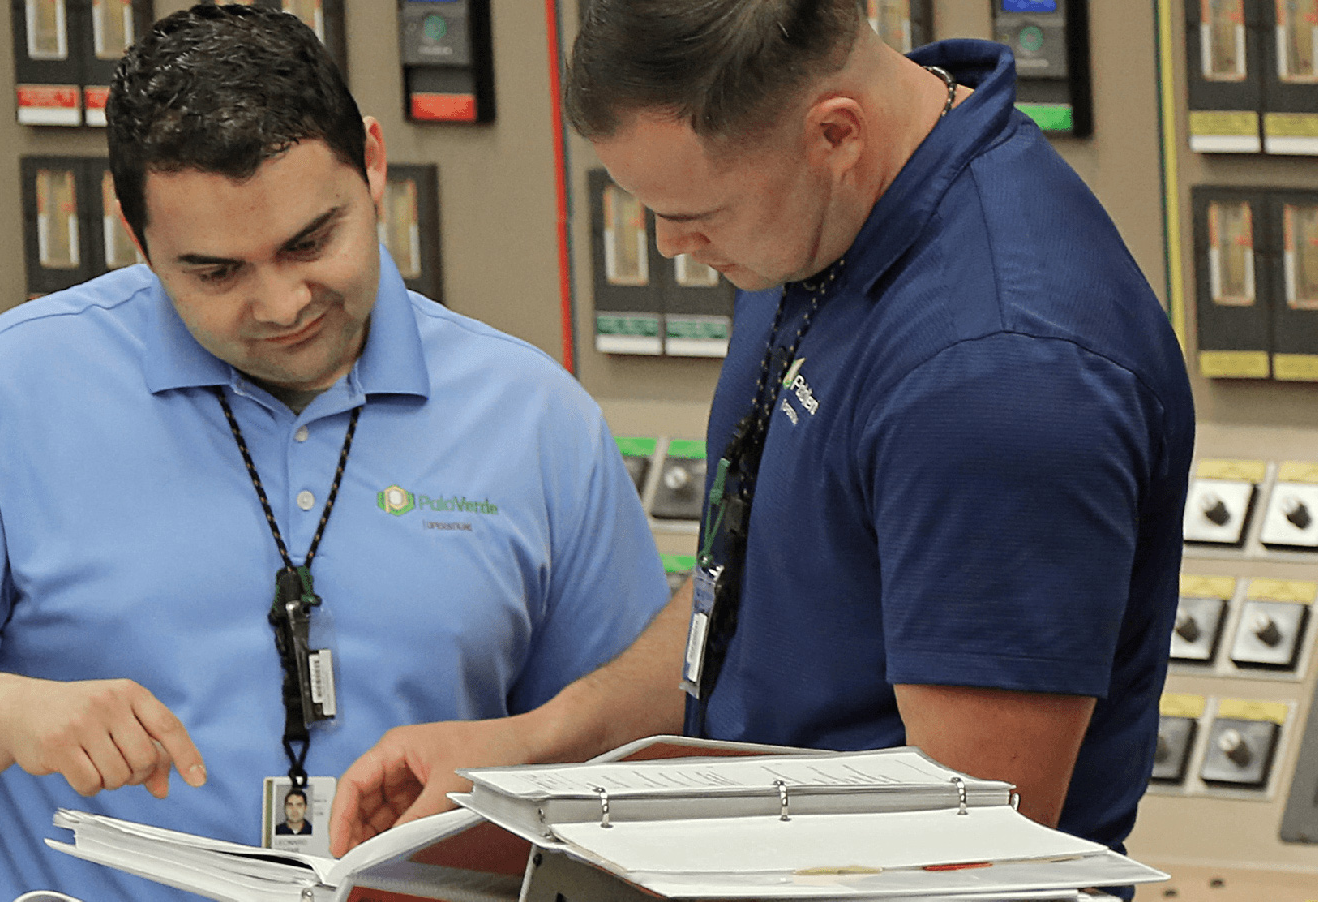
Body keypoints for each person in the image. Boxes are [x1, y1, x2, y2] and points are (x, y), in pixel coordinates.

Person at [0, 6, 669, 902]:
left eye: (311, 241)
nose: (282, 302)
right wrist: (2, 710)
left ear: (372, 165)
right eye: (215, 272)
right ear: (134, 234)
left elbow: (626, 739)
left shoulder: (532, 419)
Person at [329, 0, 1196, 886]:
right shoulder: (823, 217)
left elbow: (962, 850)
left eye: (696, 212)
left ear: (835, 134)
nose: (670, 246)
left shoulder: (997, 376)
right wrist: (531, 744)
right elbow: (750, 586)